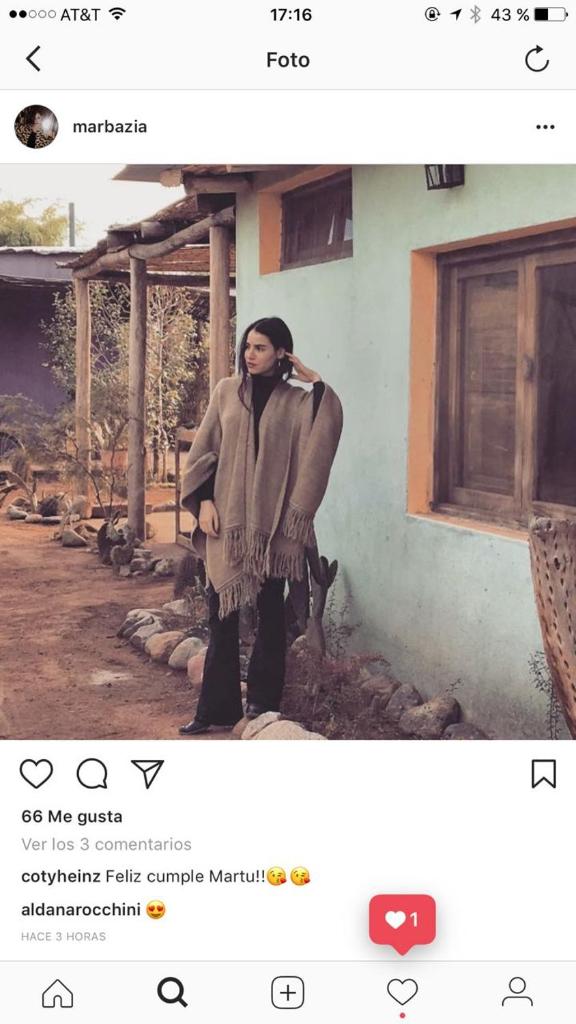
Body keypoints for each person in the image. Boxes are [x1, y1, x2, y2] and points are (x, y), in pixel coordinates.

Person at [178, 316, 343, 736]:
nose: (250, 355)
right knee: (222, 613)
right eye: (248, 346)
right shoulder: (226, 391)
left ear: (281, 353)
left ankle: (262, 704)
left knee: (270, 614)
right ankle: (215, 709)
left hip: (273, 530)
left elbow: (325, 429)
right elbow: (204, 453)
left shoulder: (297, 401)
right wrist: (203, 502)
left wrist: (315, 380)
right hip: (227, 524)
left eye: (261, 348)